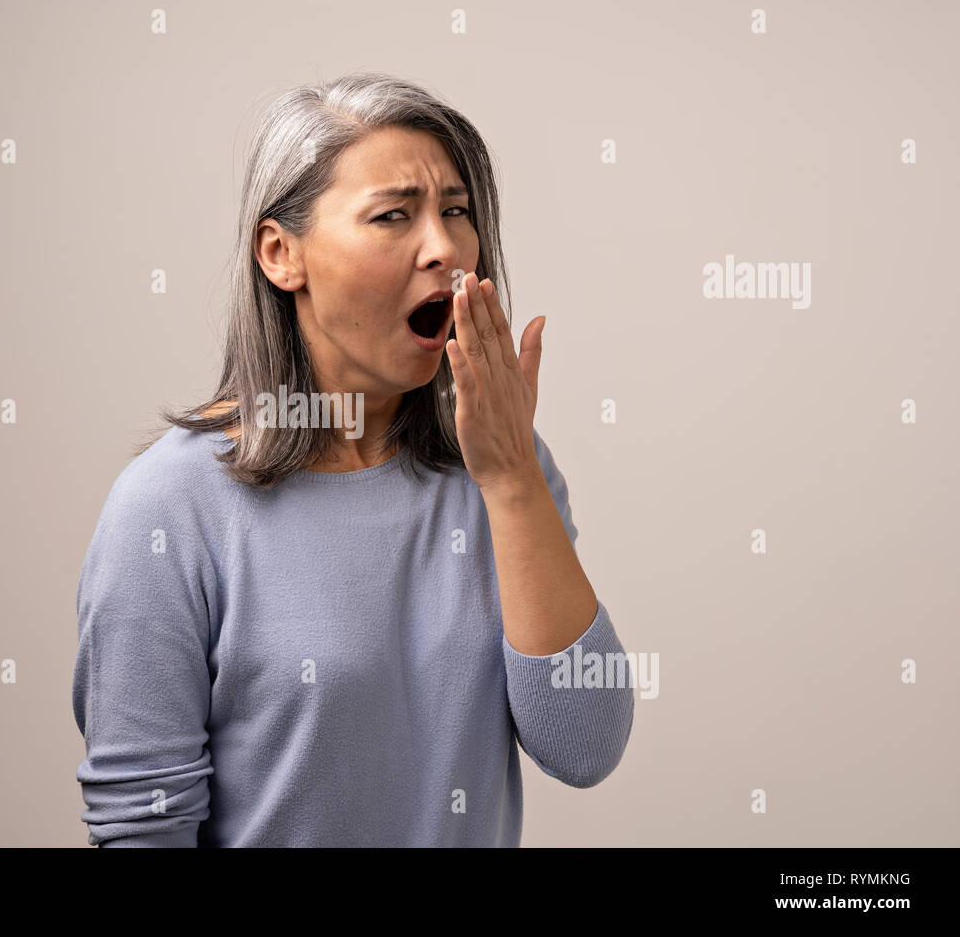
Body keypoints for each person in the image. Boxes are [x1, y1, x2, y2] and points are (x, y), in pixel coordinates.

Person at [72, 71, 634, 847]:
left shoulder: (503, 466)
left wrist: (511, 482)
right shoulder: (169, 508)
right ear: (281, 254)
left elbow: (584, 745)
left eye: (457, 211)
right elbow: (142, 829)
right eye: (393, 216)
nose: (443, 248)